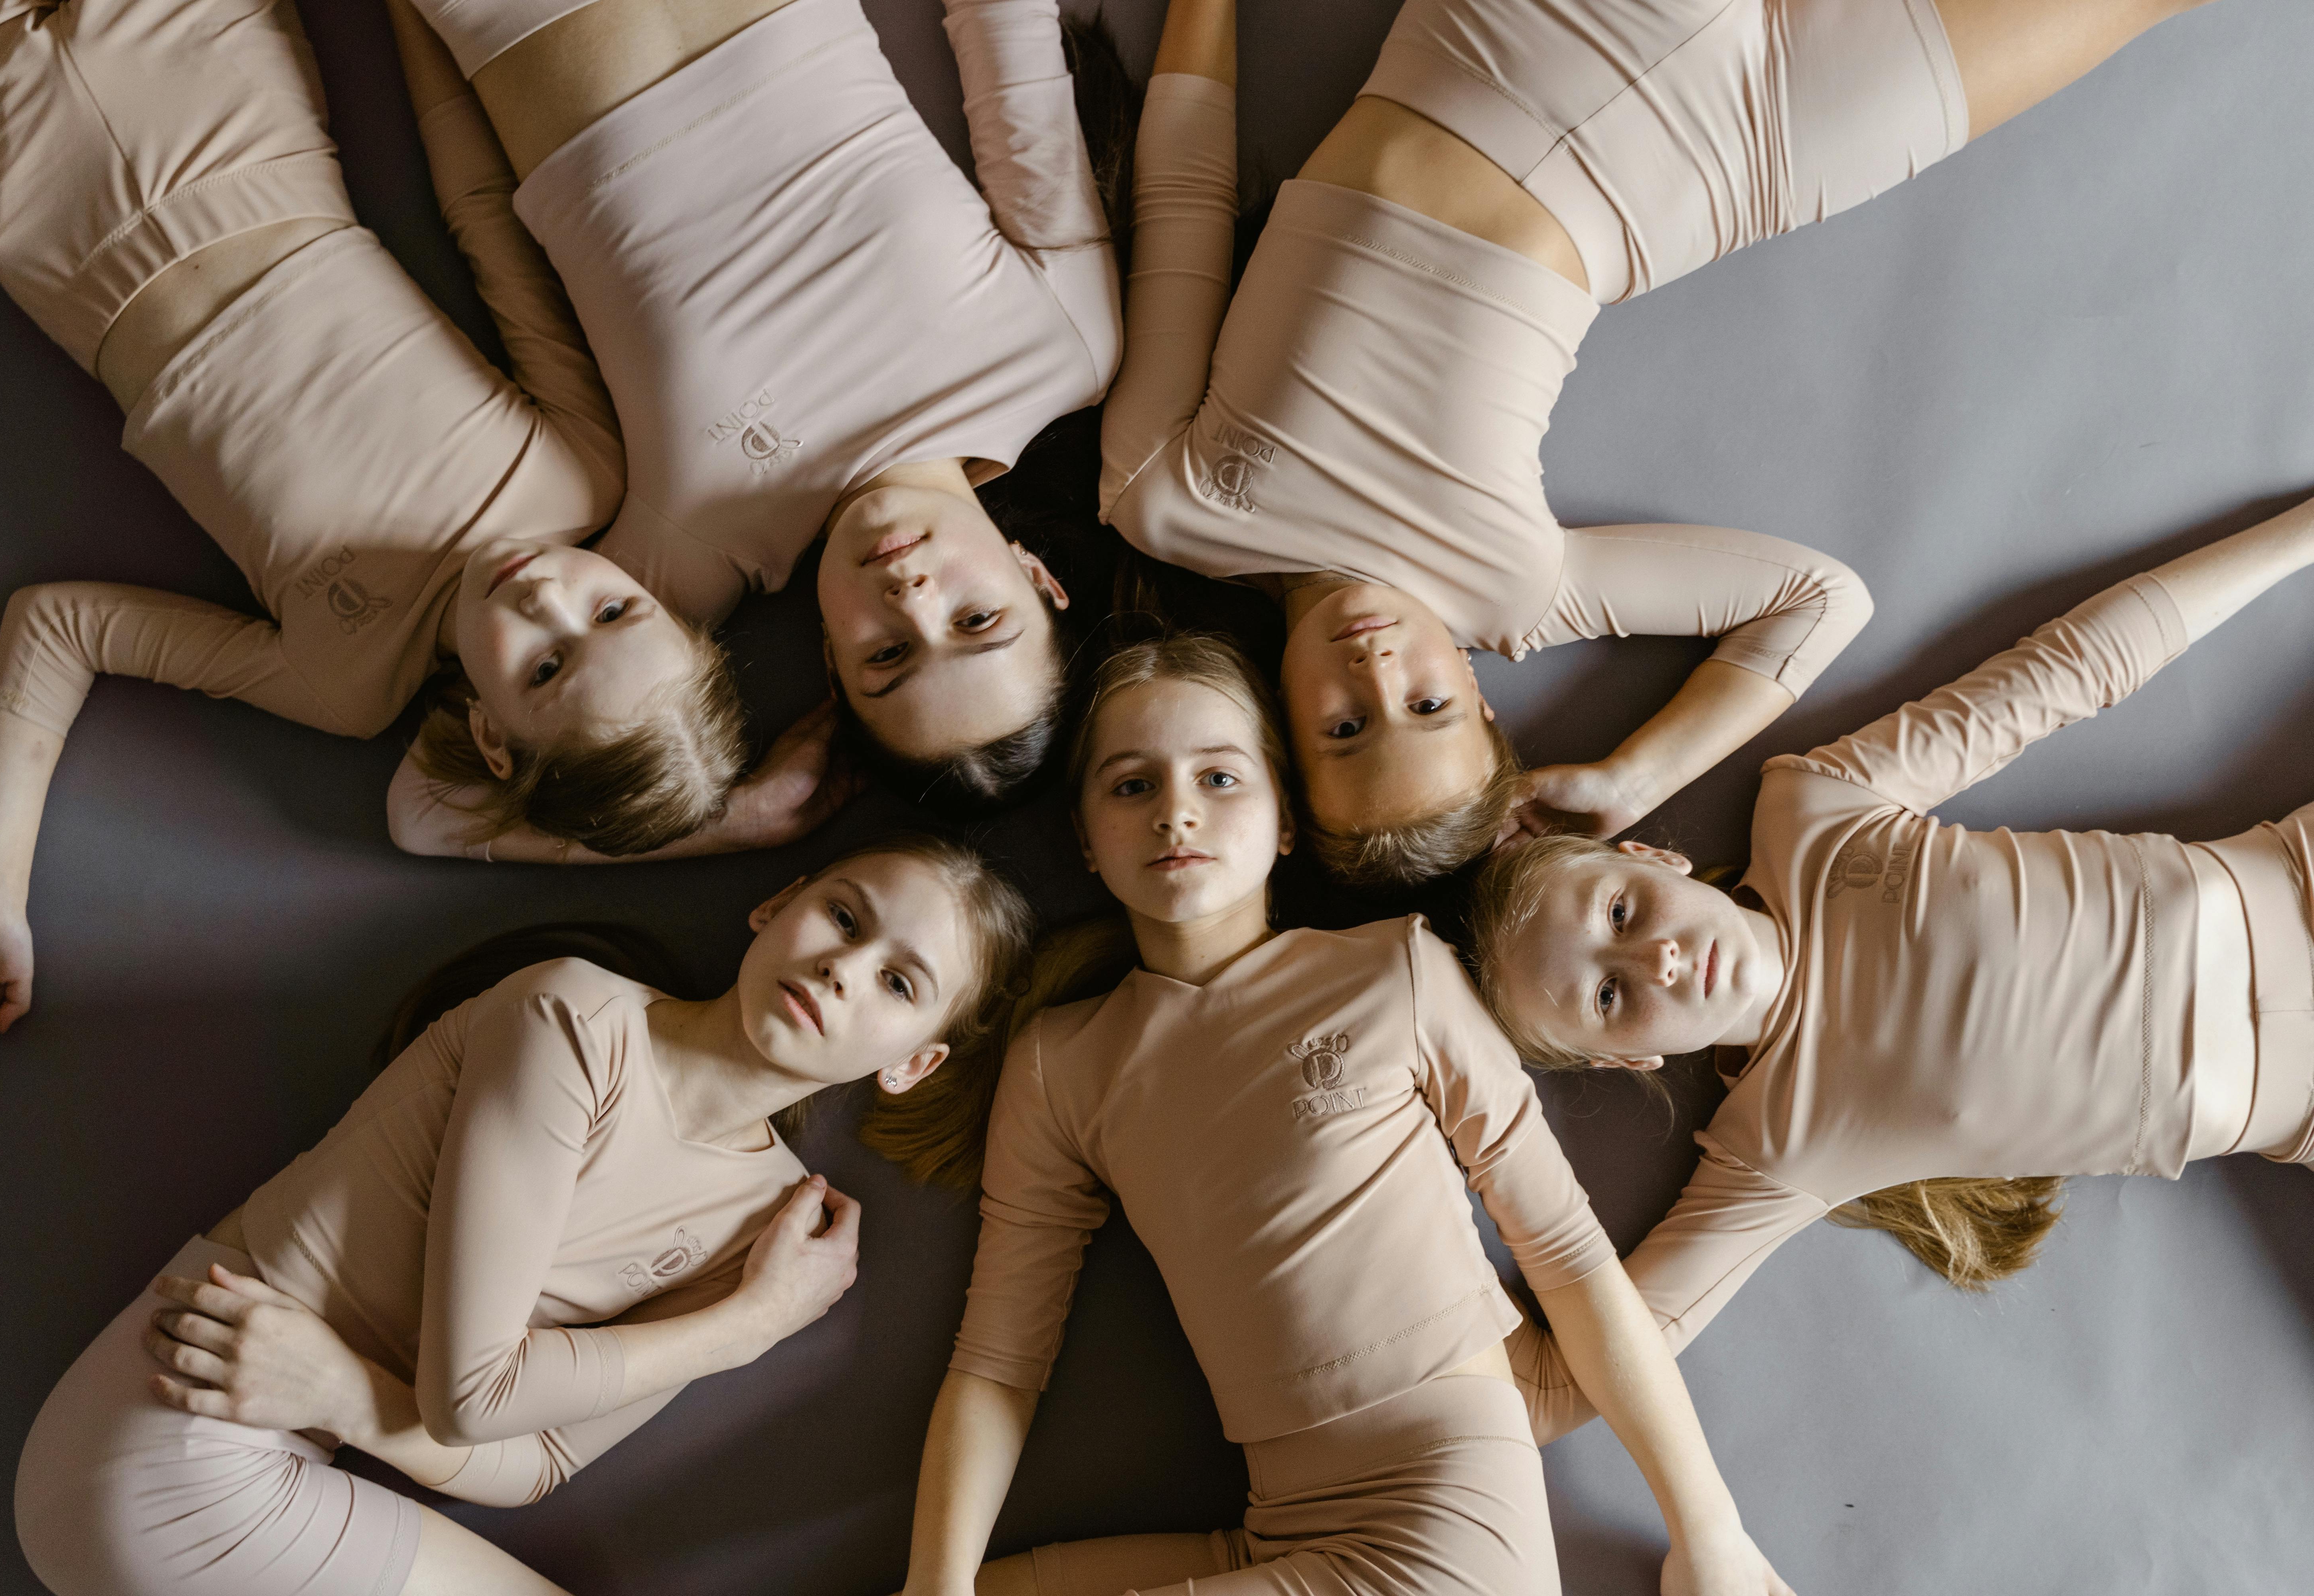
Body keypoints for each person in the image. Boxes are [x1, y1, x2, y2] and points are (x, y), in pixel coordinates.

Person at [1102, 0, 2217, 886]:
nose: (1379, 671)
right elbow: (1818, 601)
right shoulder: (1518, 593)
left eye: (1346, 728)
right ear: (1484, 702)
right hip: (1756, 138)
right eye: (1427, 708)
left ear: (1284, 735)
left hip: (1525, 27)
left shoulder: (1169, 498)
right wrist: (1641, 773)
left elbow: (1184, 191)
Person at [0, 0, 849, 1044]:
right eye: (616, 610)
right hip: (217, 83)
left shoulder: (342, 679)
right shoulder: (580, 475)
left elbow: (62, 627)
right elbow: (480, 204)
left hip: (35, 192)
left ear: (493, 741)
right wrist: (419, 17)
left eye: (544, 668)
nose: (550, 598)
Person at [899, 634, 1793, 1595]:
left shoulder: (1395, 970)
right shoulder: (1058, 1065)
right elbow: (998, 1364)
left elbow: (1571, 1258)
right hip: (1276, 1525)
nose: (1178, 809)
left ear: (1285, 819)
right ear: (1084, 838)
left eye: (1219, 775)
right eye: (1130, 787)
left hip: (1451, 1527)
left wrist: (1710, 1532)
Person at [1467, 494, 2314, 1442]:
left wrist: (2304, 533)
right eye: (1610, 996)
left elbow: (2077, 668)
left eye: (1621, 911)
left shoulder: (1817, 808)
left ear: (1654, 857)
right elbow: (1557, 1388)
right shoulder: (1774, 1152)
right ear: (1628, 1061)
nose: (1658, 958)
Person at [11, 834, 1032, 1595]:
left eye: (899, 981)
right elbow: (471, 1397)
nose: (844, 967)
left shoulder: (767, 1231)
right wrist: (750, 1328)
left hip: (269, 1449)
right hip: (172, 1428)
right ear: (776, 904)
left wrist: (350, 1397)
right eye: (844, 917)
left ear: (913, 1062)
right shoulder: (574, 1019)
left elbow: (533, 1465)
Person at [386, 0, 1123, 830]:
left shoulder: (695, 555)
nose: (910, 597)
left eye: (887, 655)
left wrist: (741, 813)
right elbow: (1003, 24)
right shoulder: (1064, 353)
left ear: (831, 668)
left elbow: (422, 809)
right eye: (976, 618)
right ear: (1037, 576)